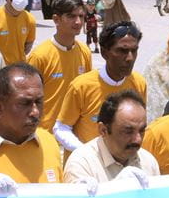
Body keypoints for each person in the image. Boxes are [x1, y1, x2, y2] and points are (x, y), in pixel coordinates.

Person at [54, 20, 146, 151]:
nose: (130, 58)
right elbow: (61, 128)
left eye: (134, 50)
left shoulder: (139, 84)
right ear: (104, 53)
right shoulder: (81, 86)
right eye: (122, 51)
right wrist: (87, 154)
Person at [27, 0, 92, 132]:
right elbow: (27, 100)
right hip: (46, 136)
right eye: (71, 16)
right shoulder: (40, 56)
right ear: (56, 19)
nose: (78, 22)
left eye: (81, 16)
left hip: (74, 136)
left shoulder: (84, 52)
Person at [64, 90, 158, 185]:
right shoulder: (82, 163)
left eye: (142, 130)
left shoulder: (148, 162)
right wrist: (115, 186)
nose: (138, 139)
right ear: (103, 130)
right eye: (128, 131)